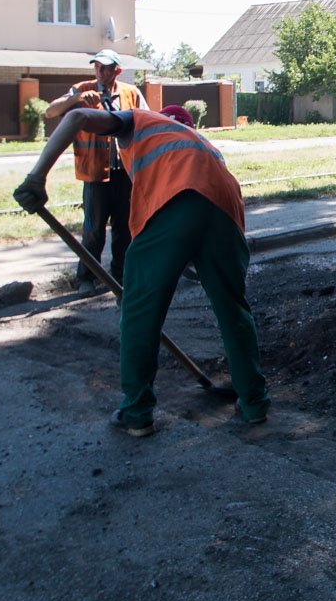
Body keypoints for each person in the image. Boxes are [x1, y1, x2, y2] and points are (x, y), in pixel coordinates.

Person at [13, 106, 271, 437]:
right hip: (226, 209)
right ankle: (254, 402)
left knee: (139, 310)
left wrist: (36, 177)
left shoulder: (138, 120)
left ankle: (137, 412)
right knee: (232, 307)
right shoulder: (202, 143)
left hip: (175, 202)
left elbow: (76, 116)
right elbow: (203, 216)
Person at [45, 49, 146, 295]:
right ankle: (86, 278)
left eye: (106, 68)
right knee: (93, 231)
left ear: (117, 71)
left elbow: (146, 118)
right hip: (95, 173)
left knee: (124, 229)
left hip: (124, 173)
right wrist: (76, 99)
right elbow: (51, 110)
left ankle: (120, 276)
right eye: (97, 67)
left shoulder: (130, 93)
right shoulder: (81, 89)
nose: (101, 72)